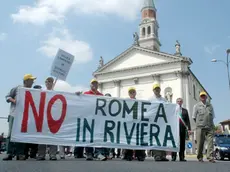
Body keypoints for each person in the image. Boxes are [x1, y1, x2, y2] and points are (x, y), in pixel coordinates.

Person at [3, 74, 36, 161]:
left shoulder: (32, 91)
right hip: (14, 114)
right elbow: (7, 96)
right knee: (10, 135)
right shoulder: (17, 88)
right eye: (31, 80)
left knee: (21, 135)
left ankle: (20, 153)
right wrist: (14, 100)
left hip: (24, 116)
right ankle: (9, 153)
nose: (33, 82)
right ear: (26, 81)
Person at [75, 79, 106, 161]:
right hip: (88, 119)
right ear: (90, 85)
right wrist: (77, 95)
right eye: (93, 84)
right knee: (89, 135)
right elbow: (79, 102)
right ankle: (89, 153)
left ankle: (98, 153)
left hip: (98, 120)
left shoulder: (101, 95)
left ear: (98, 85)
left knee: (98, 135)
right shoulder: (86, 94)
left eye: (96, 84)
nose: (94, 85)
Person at [36, 77, 58, 161]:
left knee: (53, 137)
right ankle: (41, 155)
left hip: (53, 118)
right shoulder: (42, 92)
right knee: (42, 137)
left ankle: (53, 155)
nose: (48, 83)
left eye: (50, 81)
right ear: (45, 83)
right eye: (47, 81)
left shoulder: (56, 93)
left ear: (53, 83)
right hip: (43, 118)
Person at [192, 91, 215, 163]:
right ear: (200, 97)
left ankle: (210, 157)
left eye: (204, 96)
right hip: (200, 127)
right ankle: (200, 157)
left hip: (210, 126)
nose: (203, 97)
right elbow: (194, 117)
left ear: (206, 97)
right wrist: (199, 123)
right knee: (200, 143)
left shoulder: (210, 106)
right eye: (201, 96)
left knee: (210, 142)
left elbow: (213, 116)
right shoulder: (196, 106)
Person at [148, 83, 169, 161]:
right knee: (156, 138)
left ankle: (163, 155)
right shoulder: (150, 99)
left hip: (162, 121)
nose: (157, 90)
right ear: (153, 90)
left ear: (160, 90)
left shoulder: (164, 100)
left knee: (163, 138)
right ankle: (157, 155)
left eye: (158, 89)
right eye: (155, 89)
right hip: (154, 121)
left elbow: (168, 108)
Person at [125, 87, 145, 161]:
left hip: (137, 123)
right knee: (129, 139)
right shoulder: (126, 101)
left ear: (135, 93)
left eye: (133, 92)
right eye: (130, 92)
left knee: (138, 139)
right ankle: (128, 154)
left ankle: (139, 155)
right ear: (128, 94)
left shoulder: (139, 102)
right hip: (129, 123)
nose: (132, 93)